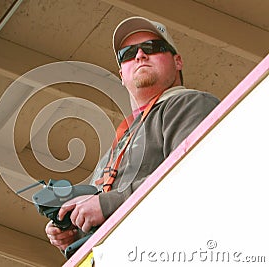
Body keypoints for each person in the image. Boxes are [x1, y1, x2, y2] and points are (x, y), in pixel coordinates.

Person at [45, 16, 220, 253]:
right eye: (128, 54)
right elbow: (100, 210)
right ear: (121, 74)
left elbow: (191, 175)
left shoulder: (188, 104)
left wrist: (106, 204)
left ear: (177, 61)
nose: (139, 56)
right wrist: (72, 228)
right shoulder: (116, 147)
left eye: (152, 48)